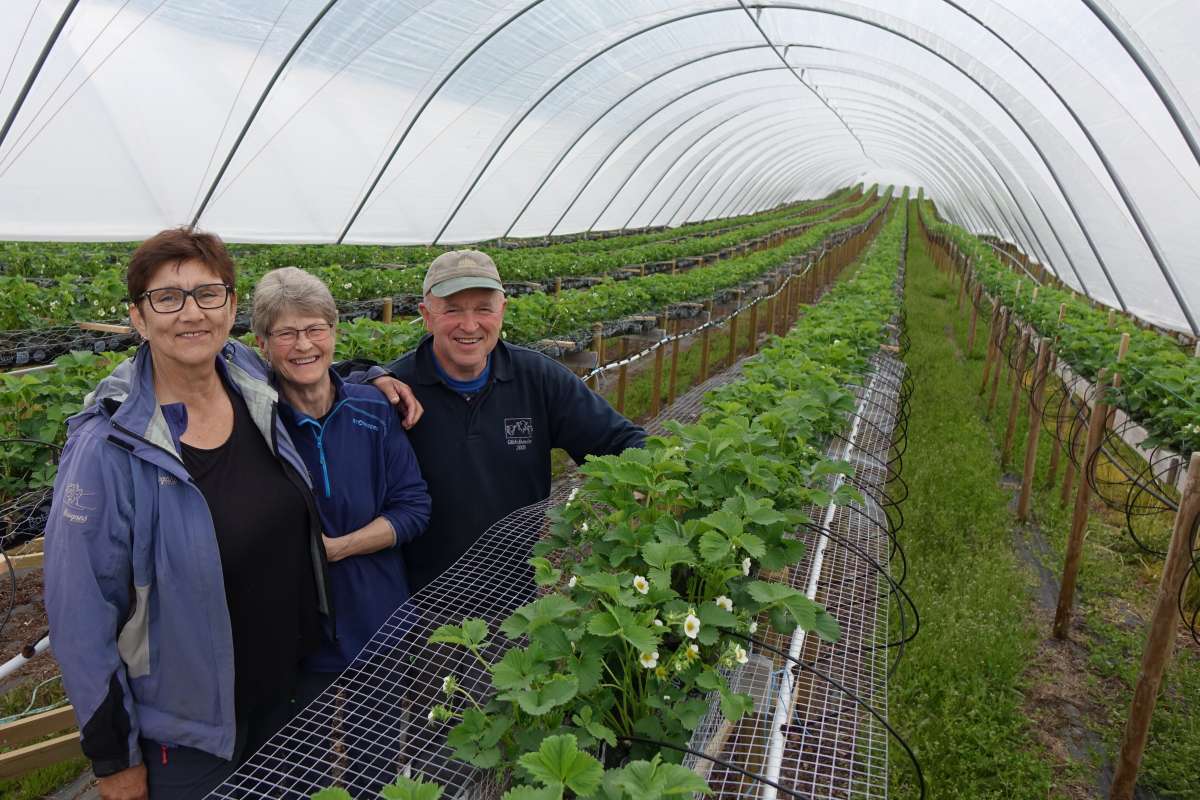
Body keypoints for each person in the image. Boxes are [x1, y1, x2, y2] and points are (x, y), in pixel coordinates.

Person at [41, 229, 419, 800]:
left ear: (232, 309)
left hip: (287, 700)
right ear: (139, 319)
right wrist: (113, 758)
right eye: (167, 298)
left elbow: (310, 359)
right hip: (190, 734)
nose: (191, 313)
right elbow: (79, 614)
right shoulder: (107, 448)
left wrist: (374, 375)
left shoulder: (248, 380)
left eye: (207, 294)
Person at [352, 249, 647, 593]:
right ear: (426, 316)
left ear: (502, 311)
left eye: (483, 309)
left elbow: (620, 442)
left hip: (512, 597)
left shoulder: (539, 379)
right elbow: (325, 399)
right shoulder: (397, 389)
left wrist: (654, 478)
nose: (469, 325)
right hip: (412, 602)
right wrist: (365, 376)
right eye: (452, 310)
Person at [251, 267, 430, 690]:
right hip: (295, 630)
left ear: (334, 332)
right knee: (296, 752)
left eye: (316, 328)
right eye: (285, 334)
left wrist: (336, 549)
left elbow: (414, 506)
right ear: (262, 344)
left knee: (379, 747)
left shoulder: (374, 407)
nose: (304, 345)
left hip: (377, 615)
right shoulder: (254, 423)